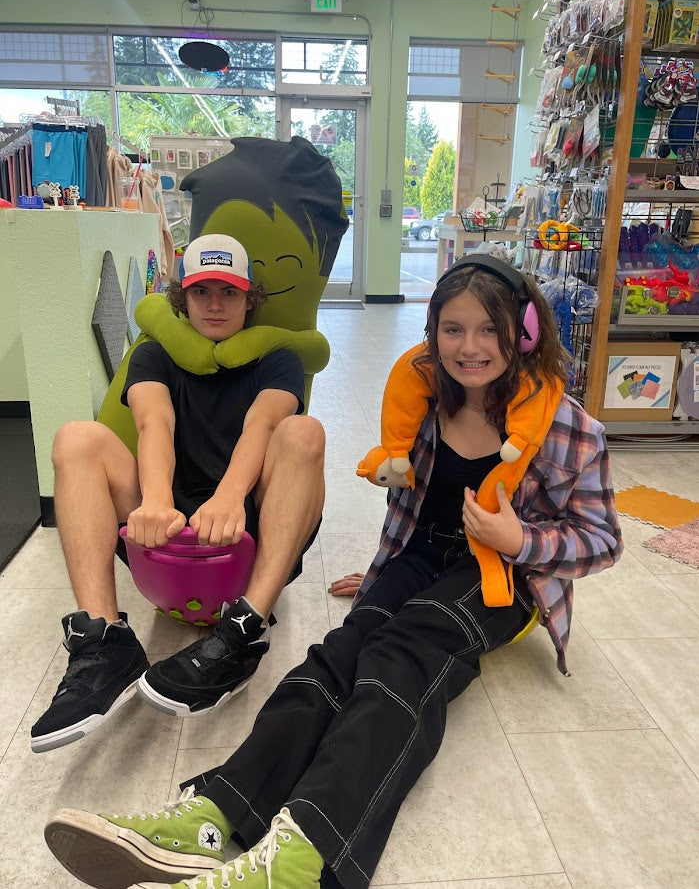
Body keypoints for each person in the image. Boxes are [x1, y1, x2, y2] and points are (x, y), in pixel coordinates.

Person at [44, 254, 622, 889]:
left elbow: (601, 542)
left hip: (505, 575)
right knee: (338, 653)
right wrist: (378, 578)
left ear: (526, 331)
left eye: (490, 329)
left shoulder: (572, 428)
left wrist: (521, 538)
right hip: (423, 553)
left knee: (405, 652)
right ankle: (219, 812)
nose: (470, 347)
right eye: (453, 329)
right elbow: (412, 514)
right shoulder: (427, 401)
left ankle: (306, 855)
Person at [31, 233, 325, 754]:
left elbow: (262, 424)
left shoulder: (277, 358)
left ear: (249, 298)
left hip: (246, 526)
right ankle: (105, 643)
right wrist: (156, 500)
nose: (214, 304)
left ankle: (246, 628)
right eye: (201, 291)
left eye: (229, 292)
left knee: (304, 433)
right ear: (181, 297)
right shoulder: (155, 354)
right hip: (169, 526)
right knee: (75, 437)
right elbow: (154, 422)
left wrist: (232, 496)